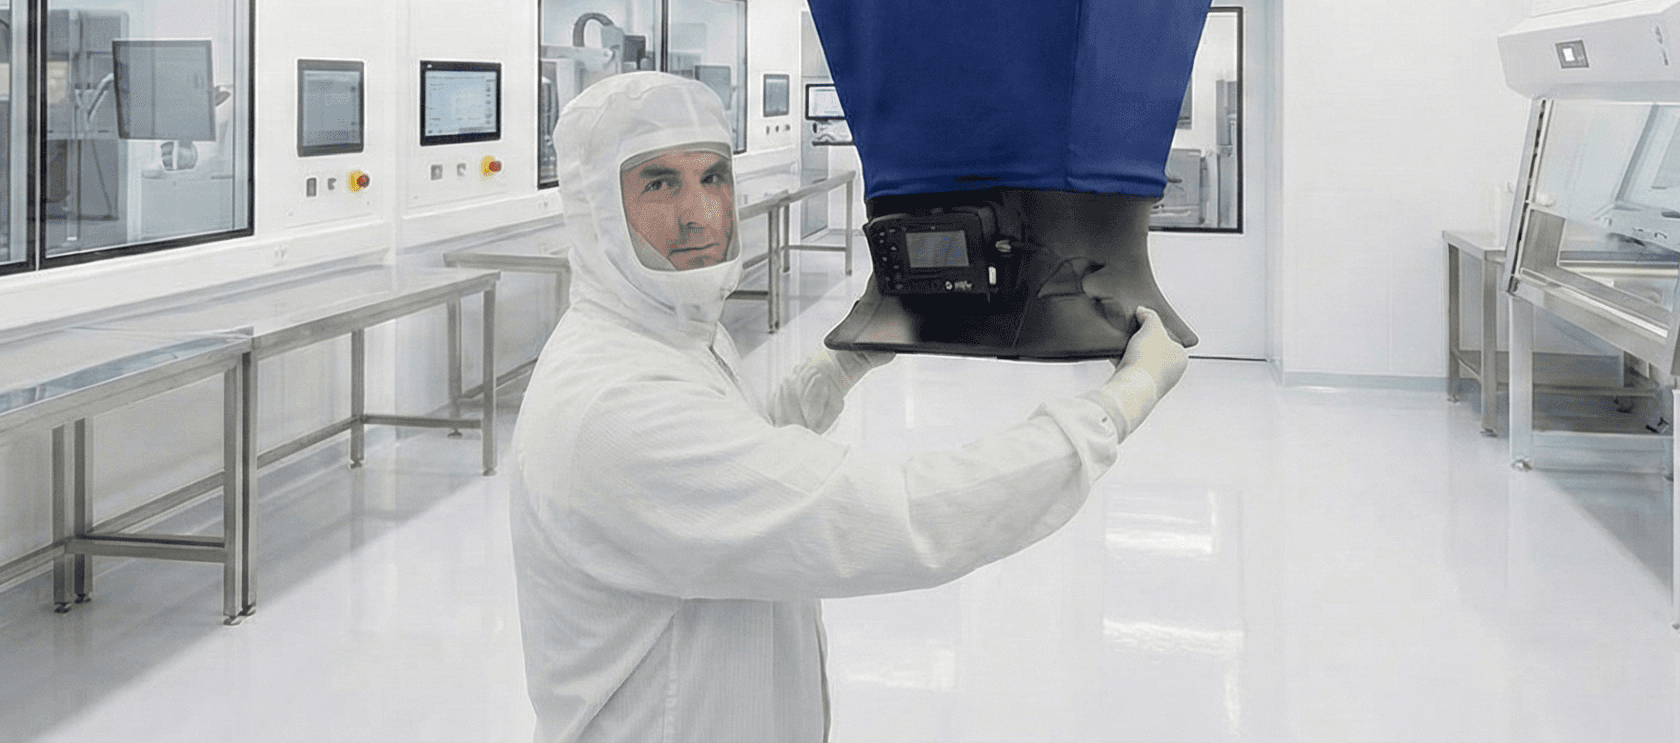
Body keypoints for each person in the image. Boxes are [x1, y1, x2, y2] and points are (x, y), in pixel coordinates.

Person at [509, 72, 1191, 742]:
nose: (701, 214)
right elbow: (900, 516)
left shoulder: (672, 335)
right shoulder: (615, 405)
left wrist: (841, 364)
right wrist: (1116, 406)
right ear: (596, 211)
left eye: (713, 176)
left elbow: (735, 454)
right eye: (659, 184)